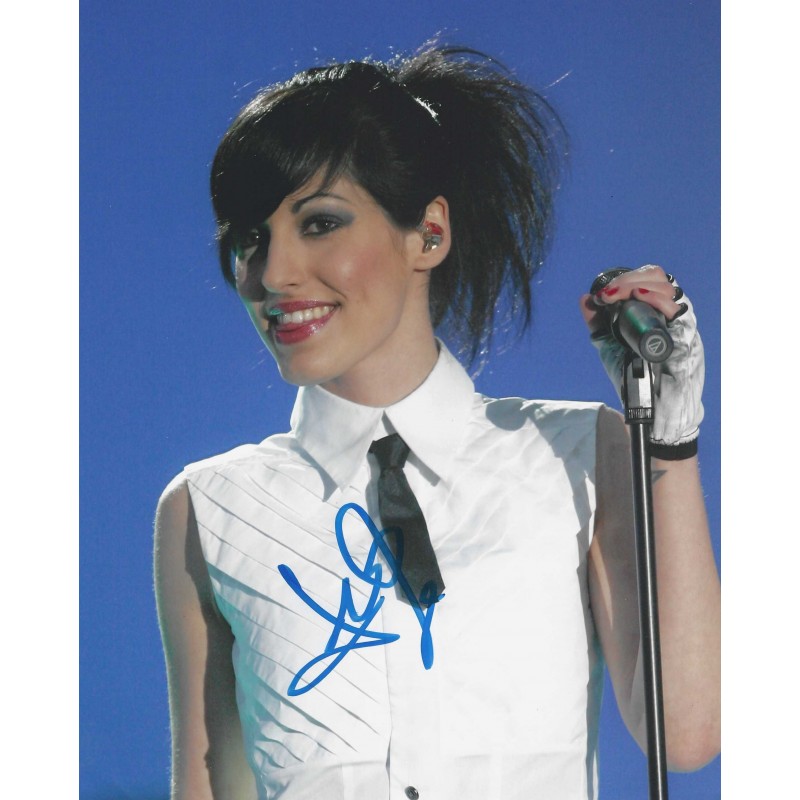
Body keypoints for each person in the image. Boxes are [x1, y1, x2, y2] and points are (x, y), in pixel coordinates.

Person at [154, 42, 720, 800]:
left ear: (428, 233)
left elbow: (685, 732)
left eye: (319, 223)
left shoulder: (577, 452)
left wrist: (670, 441)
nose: (274, 274)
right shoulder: (210, 508)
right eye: (248, 240)